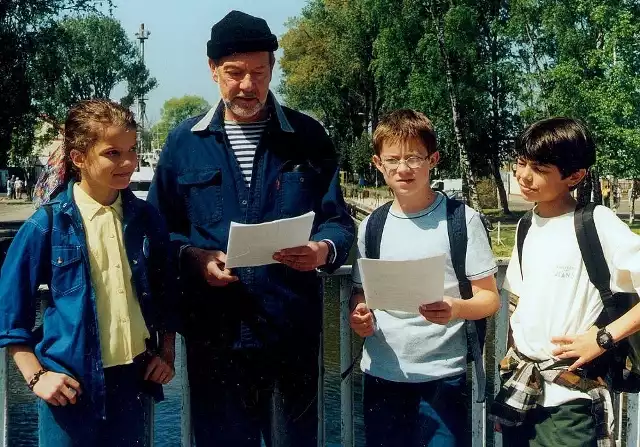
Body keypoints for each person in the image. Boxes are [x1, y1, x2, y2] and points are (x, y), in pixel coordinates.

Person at [147, 10, 355, 447]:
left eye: (258, 72)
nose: (247, 85)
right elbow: (160, 230)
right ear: (212, 71)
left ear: (272, 69)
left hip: (291, 334)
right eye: (234, 73)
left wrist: (322, 250)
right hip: (214, 339)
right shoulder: (184, 142)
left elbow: (338, 219)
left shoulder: (308, 136)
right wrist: (195, 257)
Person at [0, 99, 179, 447]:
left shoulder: (147, 219)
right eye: (113, 153)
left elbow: (166, 294)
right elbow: (8, 312)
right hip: (69, 387)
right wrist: (36, 377)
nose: (128, 163)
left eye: (132, 150)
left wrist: (166, 352)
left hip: (133, 383)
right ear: (79, 158)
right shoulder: (46, 224)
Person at [349, 109, 500, 447]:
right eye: (392, 160)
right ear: (377, 164)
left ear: (433, 159)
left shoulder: (462, 220)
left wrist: (456, 309)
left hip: (443, 378)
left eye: (414, 158)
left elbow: (489, 299)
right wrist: (359, 316)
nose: (403, 169)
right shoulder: (372, 225)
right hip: (382, 374)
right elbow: (361, 293)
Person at [491, 117, 640, 446]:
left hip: (570, 400)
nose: (524, 176)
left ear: (574, 176)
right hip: (523, 392)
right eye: (521, 162)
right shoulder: (527, 224)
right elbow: (520, 306)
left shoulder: (596, 223)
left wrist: (603, 338)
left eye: (540, 168)